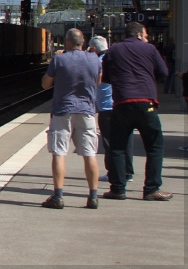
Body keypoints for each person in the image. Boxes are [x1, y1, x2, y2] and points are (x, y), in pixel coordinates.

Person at [102, 22, 172, 201]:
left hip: (121, 103)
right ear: (140, 34)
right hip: (146, 103)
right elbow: (164, 72)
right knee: (155, 146)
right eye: (146, 35)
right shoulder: (149, 49)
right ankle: (151, 189)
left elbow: (107, 77)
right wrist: (148, 80)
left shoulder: (112, 51)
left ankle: (117, 189)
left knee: (117, 147)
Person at [41, 28, 102, 210]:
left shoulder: (59, 59)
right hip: (87, 111)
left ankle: (58, 196)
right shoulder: (94, 59)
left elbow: (45, 85)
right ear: (82, 42)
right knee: (89, 154)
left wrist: (55, 64)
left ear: (67, 42)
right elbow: (98, 81)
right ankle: (93, 197)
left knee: (59, 153)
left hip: (63, 111)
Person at [90, 36, 133, 183]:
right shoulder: (117, 58)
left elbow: (94, 82)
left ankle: (112, 172)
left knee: (109, 142)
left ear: (94, 49)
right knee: (126, 139)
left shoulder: (99, 61)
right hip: (122, 103)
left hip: (107, 107)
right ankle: (128, 172)